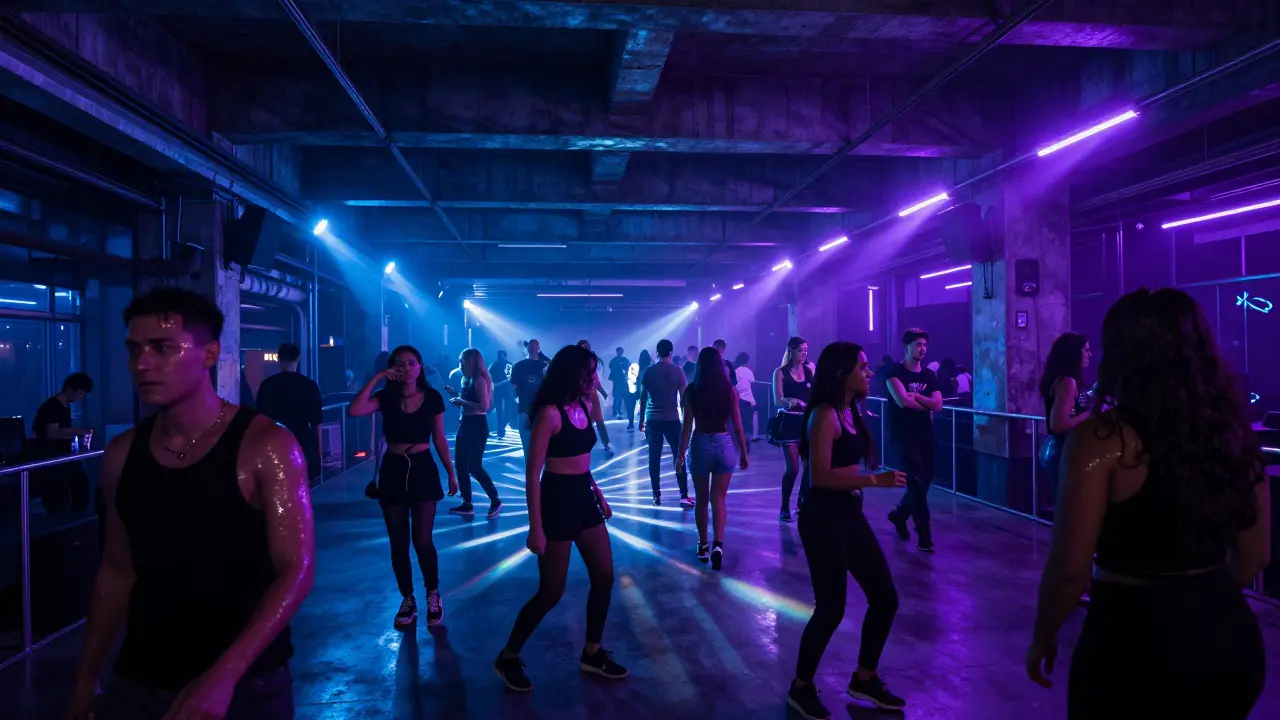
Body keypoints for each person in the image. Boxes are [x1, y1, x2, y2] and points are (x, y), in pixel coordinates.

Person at [67, 287, 315, 720]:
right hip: (140, 678)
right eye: (135, 350)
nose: (142, 364)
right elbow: (117, 568)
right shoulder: (123, 454)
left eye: (162, 348)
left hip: (247, 686)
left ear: (209, 353)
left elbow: (295, 568)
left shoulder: (266, 445)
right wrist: (87, 676)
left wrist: (224, 675)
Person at [1027, 288, 1269, 719]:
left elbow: (1070, 567)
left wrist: (1044, 635)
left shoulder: (1104, 439)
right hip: (1227, 638)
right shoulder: (1232, 433)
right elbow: (1254, 556)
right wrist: (1200, 602)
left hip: (1131, 638)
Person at [494, 345, 627, 691]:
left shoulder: (585, 404)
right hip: (556, 499)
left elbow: (582, 458)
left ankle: (592, 651)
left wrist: (598, 494)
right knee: (551, 591)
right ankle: (508, 656)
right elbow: (533, 473)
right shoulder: (550, 414)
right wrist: (535, 528)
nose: (595, 379)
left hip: (584, 496)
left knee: (604, 575)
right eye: (590, 373)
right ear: (573, 375)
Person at [787, 342, 907, 720]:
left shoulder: (850, 410)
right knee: (831, 608)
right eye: (863, 367)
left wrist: (866, 479)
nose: (870, 373)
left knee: (885, 597)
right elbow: (819, 476)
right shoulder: (824, 414)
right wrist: (873, 479)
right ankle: (800, 687)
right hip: (821, 518)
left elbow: (844, 469)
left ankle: (864, 678)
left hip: (848, 515)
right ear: (842, 373)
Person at [349, 345, 458, 629]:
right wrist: (377, 378)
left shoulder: (433, 398)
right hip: (394, 469)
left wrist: (451, 472)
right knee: (399, 542)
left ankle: (433, 594)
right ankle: (407, 598)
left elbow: (440, 439)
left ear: (420, 367)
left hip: (422, 468)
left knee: (422, 541)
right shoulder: (385, 397)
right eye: (399, 364)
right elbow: (355, 410)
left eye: (412, 363)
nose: (406, 368)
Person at [676, 347, 749, 569]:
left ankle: (703, 545)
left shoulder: (691, 390)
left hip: (700, 443)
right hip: (723, 443)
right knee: (719, 499)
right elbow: (737, 425)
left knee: (701, 498)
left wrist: (679, 456)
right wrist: (744, 452)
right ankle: (718, 545)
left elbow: (687, 426)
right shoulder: (729, 390)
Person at [884, 328, 942, 552]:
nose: (922, 349)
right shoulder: (893, 372)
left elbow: (938, 405)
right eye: (918, 345)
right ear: (906, 346)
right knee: (916, 484)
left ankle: (899, 515)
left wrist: (916, 396)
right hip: (903, 437)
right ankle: (924, 536)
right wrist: (924, 401)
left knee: (923, 486)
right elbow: (902, 402)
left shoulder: (929, 375)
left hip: (925, 436)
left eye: (925, 345)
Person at [1037, 333, 1093, 518]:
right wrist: (1090, 415)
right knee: (1073, 511)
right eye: (1085, 350)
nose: (1089, 354)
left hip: (1061, 450)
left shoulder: (1064, 380)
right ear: (1073, 354)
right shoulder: (1067, 382)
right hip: (1062, 450)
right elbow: (1058, 424)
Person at [255, 342, 324, 482]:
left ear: (278, 359)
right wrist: (318, 455)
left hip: (275, 444)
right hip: (303, 443)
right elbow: (317, 423)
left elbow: (259, 420)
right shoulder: (309, 386)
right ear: (298, 358)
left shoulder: (267, 385)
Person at [447, 348, 502, 518]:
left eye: (462, 360)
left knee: (474, 466)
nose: (460, 363)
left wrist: (461, 401)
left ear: (470, 361)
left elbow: (485, 407)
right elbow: (471, 402)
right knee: (461, 465)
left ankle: (495, 499)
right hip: (465, 423)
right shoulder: (467, 379)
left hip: (476, 425)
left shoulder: (479, 380)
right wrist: (457, 397)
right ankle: (467, 503)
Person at [638, 339, 692, 507]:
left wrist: (641, 420)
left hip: (652, 420)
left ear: (657, 352)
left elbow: (643, 397)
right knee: (679, 456)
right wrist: (687, 420)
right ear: (671, 352)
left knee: (654, 458)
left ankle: (656, 495)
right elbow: (684, 399)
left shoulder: (649, 371)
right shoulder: (678, 372)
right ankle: (683, 495)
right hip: (672, 420)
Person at [32, 372, 95, 514]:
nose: (81, 397)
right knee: (61, 500)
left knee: (80, 492)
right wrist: (79, 432)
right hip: (52, 462)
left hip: (63, 460)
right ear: (70, 388)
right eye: (80, 393)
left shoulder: (64, 407)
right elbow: (53, 432)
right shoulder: (51, 406)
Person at [772, 336, 812, 521]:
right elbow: (777, 400)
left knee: (810, 467)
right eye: (800, 350)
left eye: (806, 350)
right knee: (793, 468)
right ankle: (784, 506)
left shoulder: (810, 371)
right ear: (791, 351)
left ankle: (802, 502)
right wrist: (790, 402)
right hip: (789, 423)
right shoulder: (780, 373)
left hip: (807, 423)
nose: (804, 353)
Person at [511, 339, 551, 452]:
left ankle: (538, 469)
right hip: (525, 410)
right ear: (527, 348)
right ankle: (531, 469)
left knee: (541, 448)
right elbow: (512, 388)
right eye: (531, 346)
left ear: (539, 349)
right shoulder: (518, 366)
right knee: (528, 448)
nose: (533, 349)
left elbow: (549, 388)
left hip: (540, 411)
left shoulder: (545, 367)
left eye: (535, 346)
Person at [577, 340, 615, 454]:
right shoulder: (575, 362)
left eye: (587, 347)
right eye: (583, 347)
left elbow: (595, 379)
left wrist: (603, 392)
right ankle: (580, 446)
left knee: (599, 420)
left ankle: (606, 443)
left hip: (592, 394)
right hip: (579, 394)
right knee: (580, 421)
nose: (586, 349)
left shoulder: (592, 361)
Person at [489, 349, 514, 439]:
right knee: (499, 410)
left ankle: (502, 426)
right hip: (498, 390)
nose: (500, 356)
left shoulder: (508, 364)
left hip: (506, 390)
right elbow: (489, 375)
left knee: (507, 410)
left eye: (501, 354)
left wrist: (497, 384)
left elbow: (509, 377)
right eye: (499, 354)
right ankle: (500, 429)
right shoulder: (494, 364)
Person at [733, 352, 757, 440]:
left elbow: (734, 385)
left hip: (740, 400)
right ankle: (752, 436)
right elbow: (752, 383)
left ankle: (740, 437)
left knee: (741, 420)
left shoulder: (735, 371)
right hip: (750, 400)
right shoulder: (749, 371)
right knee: (751, 418)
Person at [608, 347, 631, 421]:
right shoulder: (614, 360)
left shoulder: (625, 360)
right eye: (618, 351)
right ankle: (616, 412)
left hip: (623, 381)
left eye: (621, 351)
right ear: (617, 352)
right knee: (617, 397)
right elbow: (611, 366)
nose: (619, 352)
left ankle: (624, 412)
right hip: (617, 381)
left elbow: (629, 367)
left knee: (625, 396)